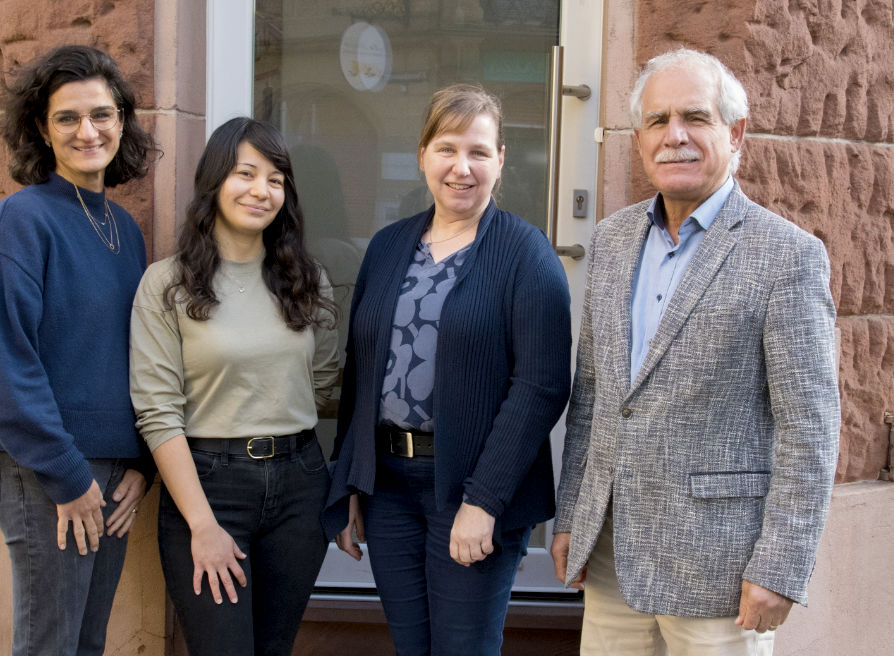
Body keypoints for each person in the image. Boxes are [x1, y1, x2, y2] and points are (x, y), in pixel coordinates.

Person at [551, 48, 840, 655]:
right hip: (611, 556)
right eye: (657, 120)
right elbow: (594, 395)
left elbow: (809, 429)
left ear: (735, 133)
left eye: (695, 117)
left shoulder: (787, 255)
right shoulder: (611, 240)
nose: (674, 136)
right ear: (639, 139)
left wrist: (781, 565)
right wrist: (574, 515)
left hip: (722, 570)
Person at [326, 84, 572, 655]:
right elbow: (360, 372)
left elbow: (540, 388)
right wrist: (349, 481)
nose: (462, 167)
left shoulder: (526, 254)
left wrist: (483, 501)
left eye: (478, 152)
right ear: (423, 155)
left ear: (500, 160)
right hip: (388, 489)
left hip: (471, 489)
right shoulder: (388, 247)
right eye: (447, 149)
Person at [0, 44, 157, 655]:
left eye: (101, 114)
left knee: (85, 645)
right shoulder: (21, 221)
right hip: (43, 470)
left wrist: (142, 465)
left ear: (122, 121)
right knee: (50, 646)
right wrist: (68, 475)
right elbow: (3, 361)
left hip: (112, 472)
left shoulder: (124, 230)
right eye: (67, 118)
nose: (87, 131)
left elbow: (136, 357)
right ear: (42, 130)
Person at [129, 117, 339, 656]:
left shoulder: (307, 280)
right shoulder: (168, 284)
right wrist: (203, 525)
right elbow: (158, 413)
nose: (261, 190)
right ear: (215, 181)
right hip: (208, 488)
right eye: (246, 173)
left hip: (299, 486)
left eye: (276, 179)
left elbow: (322, 383)